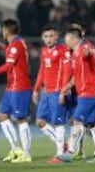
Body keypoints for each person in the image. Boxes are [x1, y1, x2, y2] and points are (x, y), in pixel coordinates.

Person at [0, 19, 32, 163]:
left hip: (20, 86)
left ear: (6, 30)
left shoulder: (16, 44)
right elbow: (11, 51)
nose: (2, 32)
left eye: (2, 29)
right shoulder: (16, 43)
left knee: (21, 119)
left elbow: (8, 65)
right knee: (1, 116)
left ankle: (26, 153)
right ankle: (15, 149)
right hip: (12, 86)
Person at [59, 28, 95, 163]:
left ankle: (70, 152)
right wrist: (68, 86)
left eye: (66, 37)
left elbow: (89, 53)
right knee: (92, 124)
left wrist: (87, 53)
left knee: (77, 121)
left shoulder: (85, 47)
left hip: (89, 92)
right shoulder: (74, 54)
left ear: (72, 38)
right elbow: (77, 76)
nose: (65, 40)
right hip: (85, 92)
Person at [32, 24, 69, 164]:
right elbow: (42, 70)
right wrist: (36, 89)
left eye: (51, 36)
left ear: (56, 36)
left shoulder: (62, 50)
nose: (48, 39)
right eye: (46, 36)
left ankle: (60, 154)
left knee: (58, 123)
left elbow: (66, 71)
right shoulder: (44, 51)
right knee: (40, 122)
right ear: (42, 38)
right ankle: (63, 145)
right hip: (46, 92)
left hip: (57, 92)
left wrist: (63, 91)